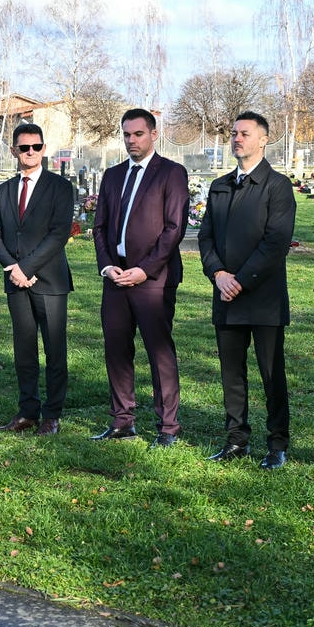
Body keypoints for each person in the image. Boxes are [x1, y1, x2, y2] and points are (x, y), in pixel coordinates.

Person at [198, 111, 296, 469]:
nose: (237, 139)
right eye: (234, 133)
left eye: (245, 133)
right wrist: (218, 274)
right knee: (232, 374)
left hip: (263, 298)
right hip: (226, 296)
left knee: (271, 374)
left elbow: (275, 242)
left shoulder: (277, 186)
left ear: (263, 140)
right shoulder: (220, 186)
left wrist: (238, 280)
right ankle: (236, 439)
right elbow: (206, 237)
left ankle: (277, 443)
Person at [92, 108, 190, 449]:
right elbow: (99, 227)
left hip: (153, 279)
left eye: (138, 134)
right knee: (117, 349)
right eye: (126, 135)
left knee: (159, 352)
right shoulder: (113, 175)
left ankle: (168, 427)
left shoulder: (171, 173)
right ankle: (122, 421)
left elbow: (174, 229)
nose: (131, 140)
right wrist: (107, 266)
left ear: (153, 134)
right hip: (115, 276)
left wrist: (145, 269)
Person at [0, 124, 73, 436]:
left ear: (43, 148)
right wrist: (14, 268)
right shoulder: (5, 190)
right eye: (24, 147)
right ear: (14, 151)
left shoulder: (60, 188)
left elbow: (59, 234)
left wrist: (27, 267)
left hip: (49, 281)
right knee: (24, 349)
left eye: (36, 146)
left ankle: (52, 415)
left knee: (54, 350)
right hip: (16, 281)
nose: (30, 152)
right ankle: (27, 412)